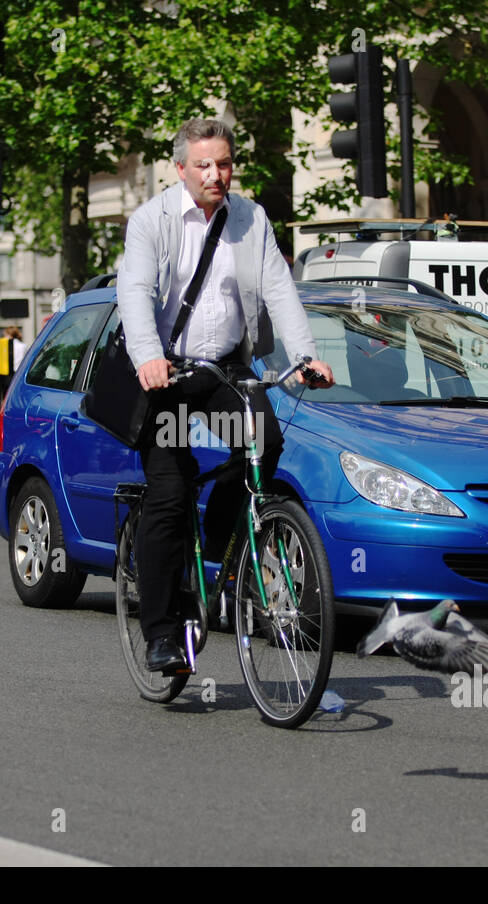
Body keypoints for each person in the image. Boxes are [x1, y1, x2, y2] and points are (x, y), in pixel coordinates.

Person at [116, 117, 335, 675]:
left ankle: (217, 541)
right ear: (180, 168)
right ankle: (163, 634)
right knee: (169, 493)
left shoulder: (250, 218)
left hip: (224, 372)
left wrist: (304, 357)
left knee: (264, 442)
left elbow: (280, 289)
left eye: (225, 163)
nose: (216, 174)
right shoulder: (151, 222)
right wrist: (148, 356)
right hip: (167, 376)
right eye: (204, 165)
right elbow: (134, 291)